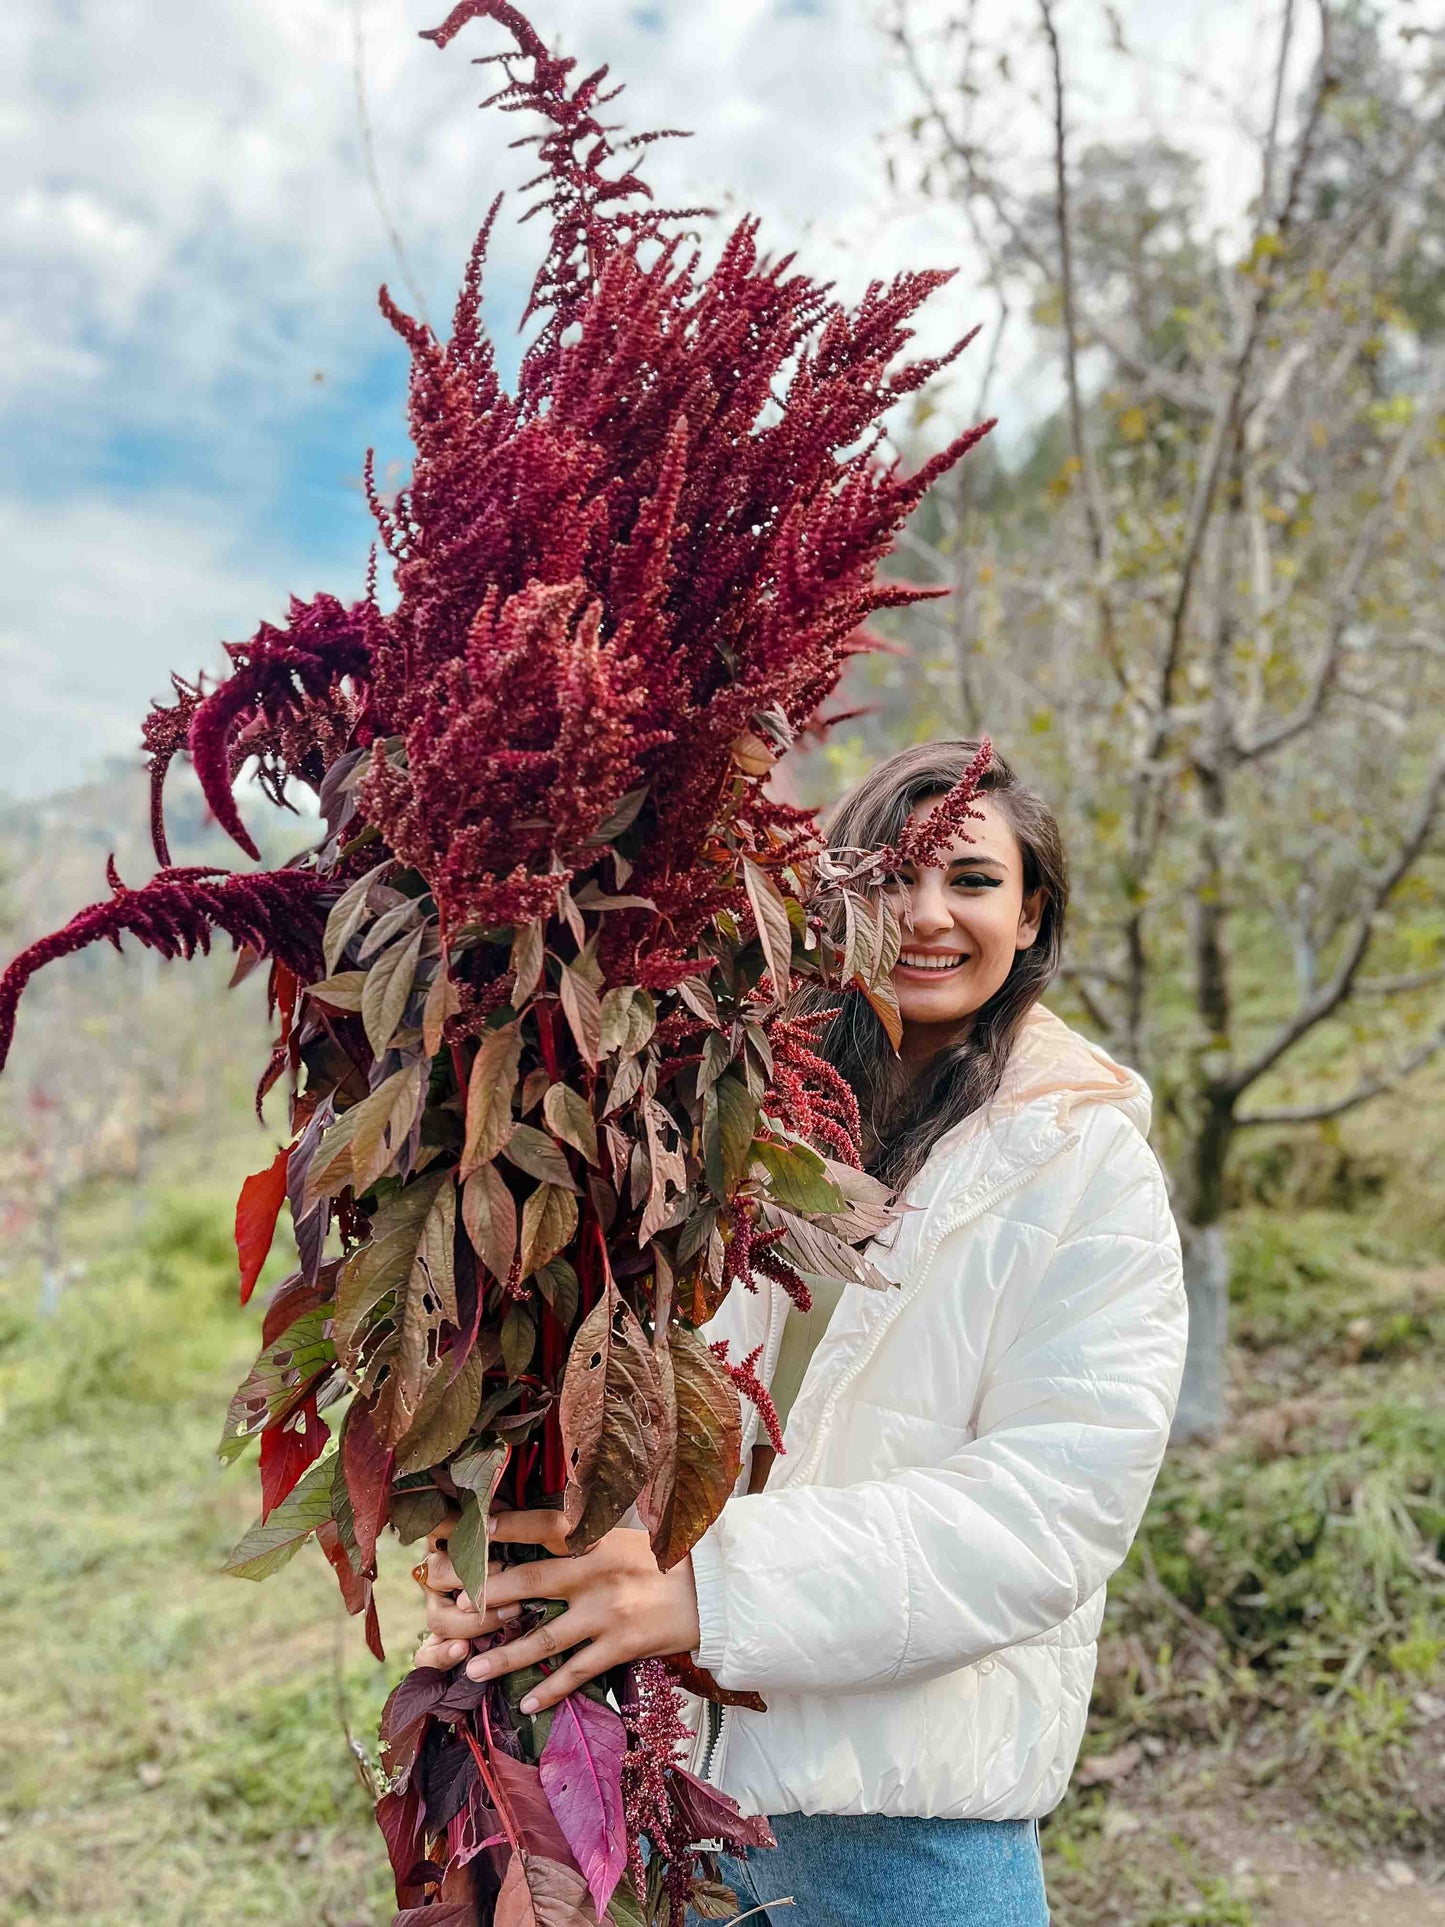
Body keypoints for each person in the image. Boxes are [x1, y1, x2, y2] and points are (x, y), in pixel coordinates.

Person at [415, 739, 1189, 1925]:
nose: (926, 914)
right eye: (888, 876)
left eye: (972, 881)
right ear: (831, 899)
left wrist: (708, 1592)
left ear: (1031, 916)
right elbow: (630, 1395)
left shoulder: (1085, 1164)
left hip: (900, 1836)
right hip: (662, 1791)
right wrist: (518, 1561)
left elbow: (1050, 1509)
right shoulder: (723, 1114)